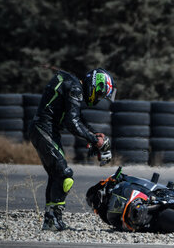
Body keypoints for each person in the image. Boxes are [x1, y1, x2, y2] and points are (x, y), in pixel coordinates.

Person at [29, 68, 115, 231]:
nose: (97, 99)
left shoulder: (73, 84)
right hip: (44, 129)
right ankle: (54, 219)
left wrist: (93, 133)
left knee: (56, 175)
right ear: (96, 85)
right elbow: (72, 123)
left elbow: (77, 117)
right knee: (64, 175)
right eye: (99, 94)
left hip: (44, 129)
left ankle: (51, 220)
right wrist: (94, 140)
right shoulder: (75, 88)